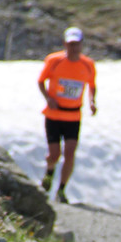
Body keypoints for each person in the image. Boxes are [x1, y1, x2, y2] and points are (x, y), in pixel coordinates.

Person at [37, 26, 96, 203]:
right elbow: (41, 81)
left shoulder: (88, 64)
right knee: (54, 154)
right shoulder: (54, 61)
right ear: (65, 44)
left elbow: (92, 85)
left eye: (76, 44)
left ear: (81, 44)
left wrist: (92, 101)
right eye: (70, 44)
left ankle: (61, 189)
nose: (73, 47)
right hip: (54, 115)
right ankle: (49, 172)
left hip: (73, 116)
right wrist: (48, 98)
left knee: (70, 153)